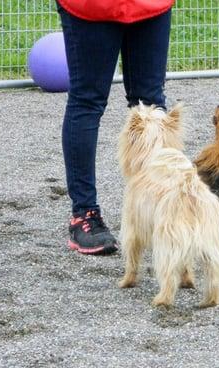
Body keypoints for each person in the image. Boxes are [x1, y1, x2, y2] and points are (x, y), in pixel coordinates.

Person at [56, 0, 174, 255]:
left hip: (150, 5)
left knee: (151, 103)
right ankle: (84, 215)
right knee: (87, 101)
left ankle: (160, 207)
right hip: (91, 6)